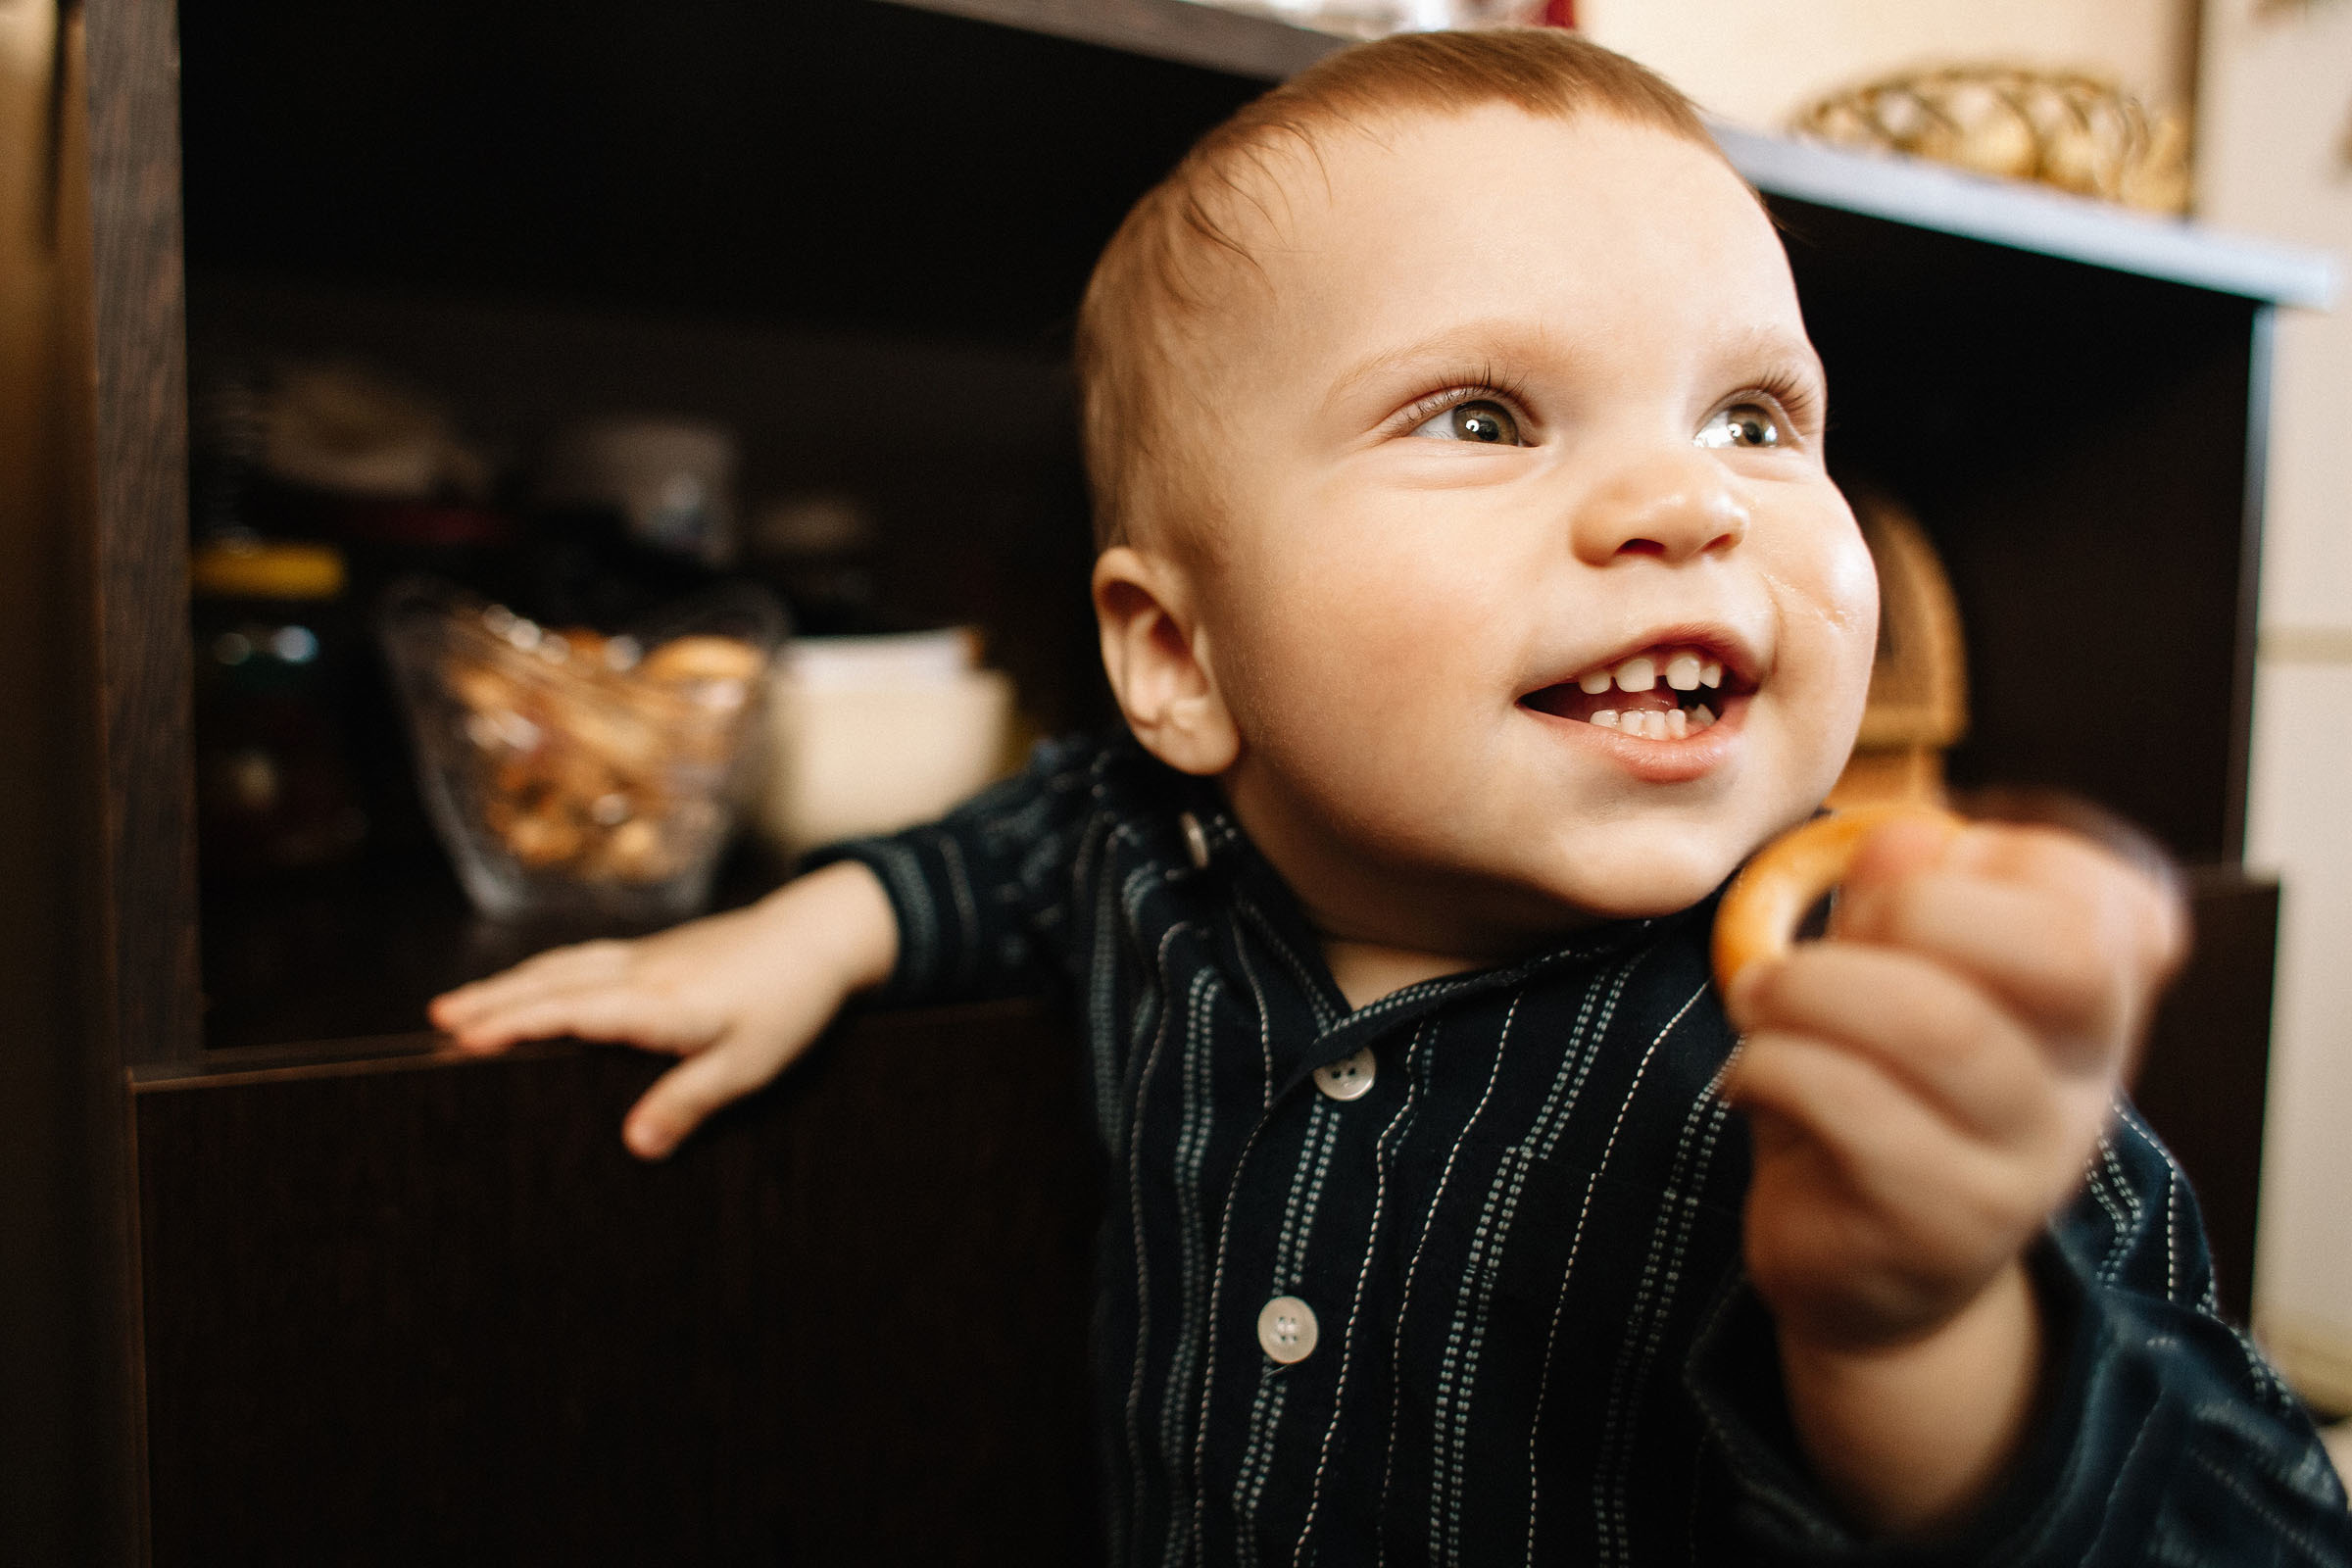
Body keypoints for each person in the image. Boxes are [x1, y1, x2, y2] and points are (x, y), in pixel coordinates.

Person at [430, 29, 2352, 1565]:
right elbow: (1015, 846)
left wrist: (1929, 1334)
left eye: (1755, 416)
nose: (1692, 500)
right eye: (1488, 417)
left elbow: (2252, 1521)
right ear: (1179, 660)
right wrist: (811, 927)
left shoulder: (1880, 1045)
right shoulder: (1155, 849)